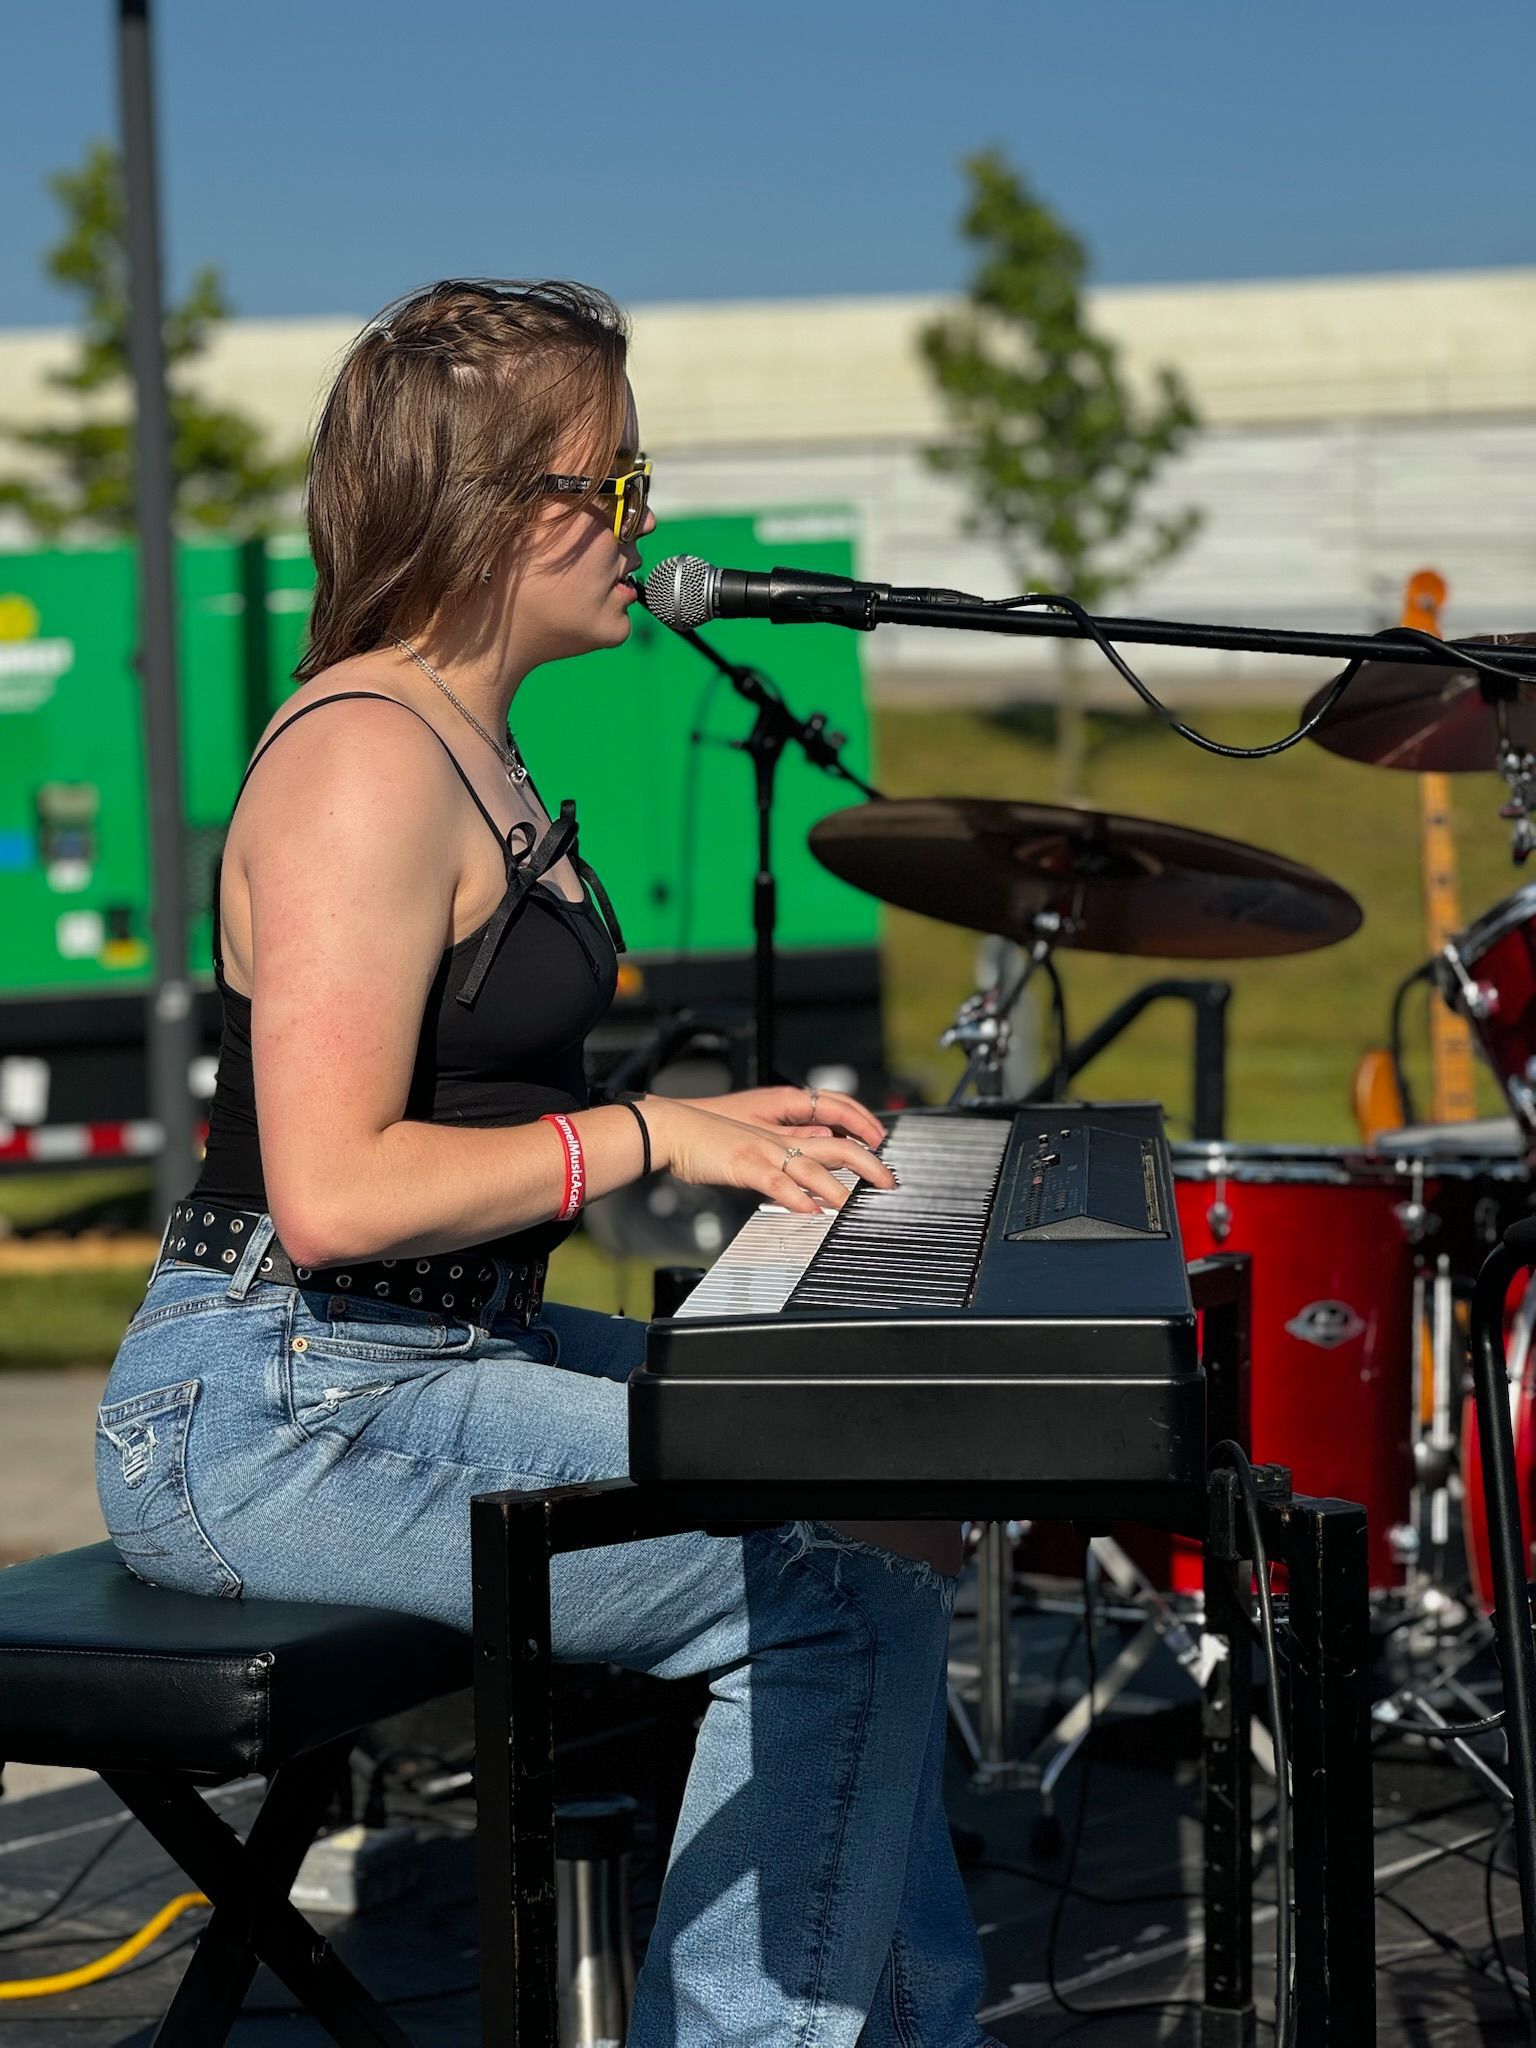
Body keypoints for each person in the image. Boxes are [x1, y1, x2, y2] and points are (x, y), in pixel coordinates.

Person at [95, 278, 999, 2048]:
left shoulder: (472, 743)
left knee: (891, 1482)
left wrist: (729, 1136)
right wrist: (660, 1133)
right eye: (619, 483)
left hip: (425, 1358)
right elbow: (334, 1194)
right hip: (275, 1401)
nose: (646, 525)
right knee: (828, 1584)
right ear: (498, 506)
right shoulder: (366, 759)